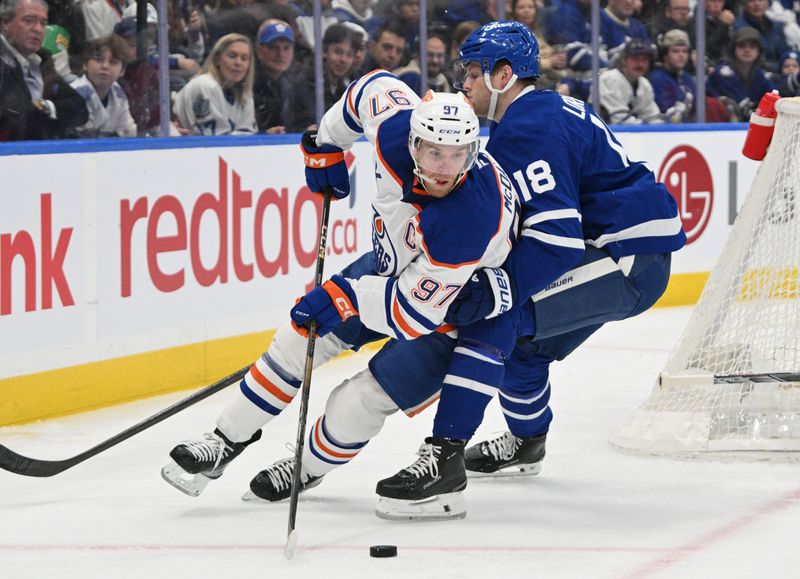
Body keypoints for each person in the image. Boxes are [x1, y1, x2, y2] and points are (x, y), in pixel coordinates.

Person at [160, 82, 519, 518]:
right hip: (393, 269)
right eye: (433, 153)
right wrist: (328, 143)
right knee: (299, 337)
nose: (445, 168)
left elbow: (411, 315)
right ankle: (223, 441)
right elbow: (370, 89)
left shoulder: (470, 217)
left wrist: (346, 295)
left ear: (473, 152)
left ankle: (305, 468)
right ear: (413, 143)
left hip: (458, 303)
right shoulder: (393, 130)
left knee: (359, 400)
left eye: (458, 154)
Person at [374, 20, 685, 518]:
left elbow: (557, 241)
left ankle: (445, 458)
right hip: (621, 248)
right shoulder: (533, 114)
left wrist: (498, 287)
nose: (463, 83)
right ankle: (527, 442)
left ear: (503, 75)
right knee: (522, 349)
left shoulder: (528, 127)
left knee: (498, 316)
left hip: (625, 256)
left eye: (472, 72)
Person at [0, 0, 88, 140]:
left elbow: (80, 108)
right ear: (5, 23)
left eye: (43, 23)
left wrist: (45, 105)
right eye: (29, 20)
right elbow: (14, 117)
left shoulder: (43, 59)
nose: (38, 29)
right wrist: (52, 112)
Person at [173, 32, 258, 135]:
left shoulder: (244, 93)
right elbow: (216, 139)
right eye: (232, 56)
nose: (238, 63)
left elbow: (248, 134)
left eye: (244, 58)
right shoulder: (205, 84)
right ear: (217, 59)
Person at [252, 19, 314, 133]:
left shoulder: (296, 83)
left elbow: (307, 120)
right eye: (273, 47)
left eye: (286, 48)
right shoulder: (249, 83)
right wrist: (264, 135)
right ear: (259, 51)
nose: (280, 54)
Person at [70, 34, 136, 137]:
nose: (105, 66)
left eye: (113, 62)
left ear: (122, 71)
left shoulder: (118, 93)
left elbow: (129, 132)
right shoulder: (74, 93)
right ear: (85, 64)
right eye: (98, 59)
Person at [706, 27, 777, 121]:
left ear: (758, 51)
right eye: (742, 46)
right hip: (719, 125)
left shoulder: (760, 74)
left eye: (752, 46)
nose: (747, 50)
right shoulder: (723, 72)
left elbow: (774, 99)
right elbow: (741, 103)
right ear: (734, 49)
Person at [598, 37, 664, 124]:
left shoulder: (644, 84)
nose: (640, 64)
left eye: (644, 59)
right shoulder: (608, 79)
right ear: (624, 60)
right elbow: (619, 119)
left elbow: (652, 117)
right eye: (635, 59)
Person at [649, 29, 696, 123]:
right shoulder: (658, 78)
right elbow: (668, 115)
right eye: (675, 51)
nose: (681, 55)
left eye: (684, 51)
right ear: (665, 55)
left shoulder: (687, 78)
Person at [394, 31, 452, 95]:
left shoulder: (442, 80)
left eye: (440, 55)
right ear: (418, 54)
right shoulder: (410, 77)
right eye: (429, 55)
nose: (435, 61)